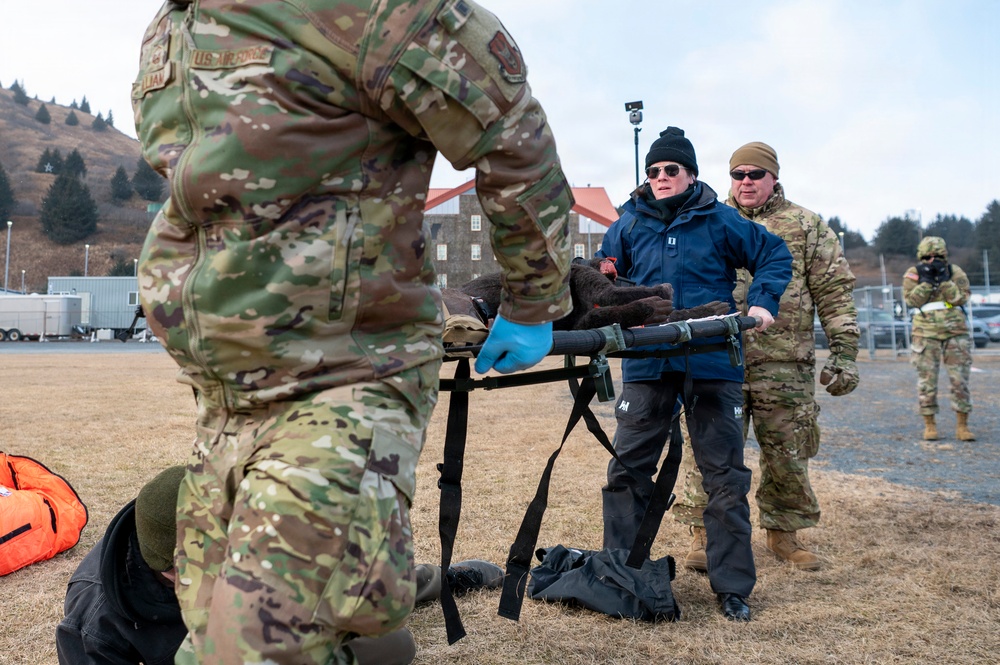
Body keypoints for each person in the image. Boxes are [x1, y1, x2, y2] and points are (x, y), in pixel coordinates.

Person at [130, 2, 573, 663]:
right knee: (210, 625)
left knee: (247, 650)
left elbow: (508, 128)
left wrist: (535, 299)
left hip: (341, 388)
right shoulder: (170, 27)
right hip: (223, 406)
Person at [596, 127, 793, 622]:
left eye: (671, 170)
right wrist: (605, 276)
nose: (661, 177)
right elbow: (605, 268)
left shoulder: (723, 221)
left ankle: (732, 589)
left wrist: (763, 303)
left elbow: (775, 254)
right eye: (654, 171)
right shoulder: (627, 222)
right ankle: (621, 574)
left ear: (691, 175)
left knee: (724, 477)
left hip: (711, 362)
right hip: (647, 363)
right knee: (627, 472)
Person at [55, 465, 504, 665]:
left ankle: (432, 582)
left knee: (389, 630)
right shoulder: (95, 619)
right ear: (166, 567)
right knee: (393, 648)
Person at [673, 142, 860, 573]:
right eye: (737, 175)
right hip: (719, 362)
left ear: (773, 177)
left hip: (785, 365)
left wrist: (845, 355)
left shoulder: (806, 226)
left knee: (788, 455)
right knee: (710, 453)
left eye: (755, 174)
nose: (745, 183)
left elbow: (834, 295)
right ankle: (706, 534)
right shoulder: (708, 221)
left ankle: (784, 534)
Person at [902, 236, 976, 442]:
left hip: (955, 332)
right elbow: (911, 300)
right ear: (921, 257)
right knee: (927, 381)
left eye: (938, 257)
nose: (932, 261)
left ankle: (962, 425)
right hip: (925, 332)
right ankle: (930, 424)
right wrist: (926, 283)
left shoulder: (954, 272)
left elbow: (960, 298)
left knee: (960, 380)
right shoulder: (914, 274)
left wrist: (944, 281)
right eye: (927, 257)